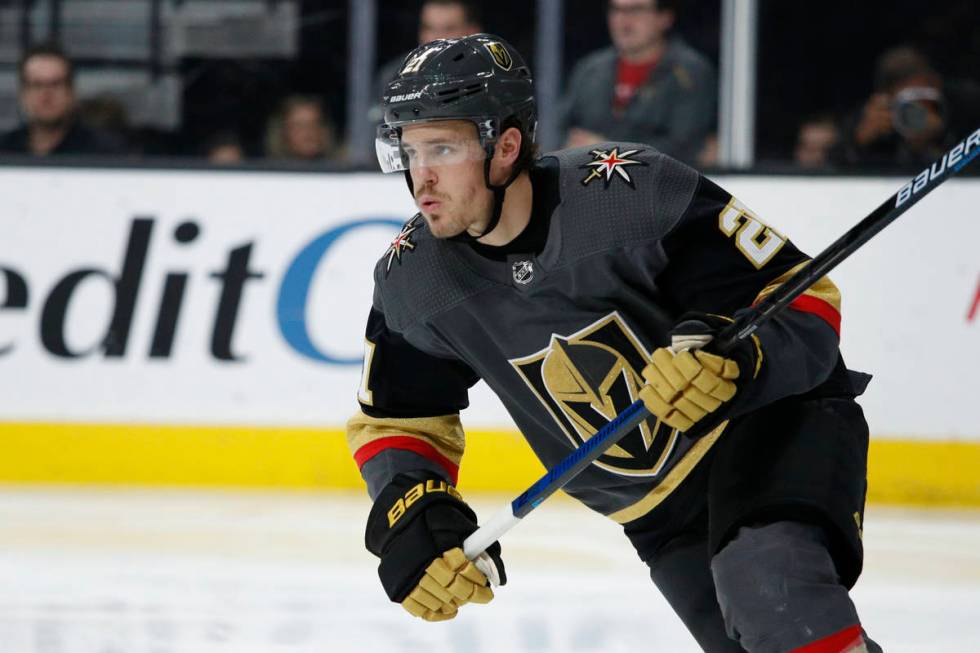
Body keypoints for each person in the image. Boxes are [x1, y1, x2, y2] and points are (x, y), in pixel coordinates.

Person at [349, 34, 880, 653]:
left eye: (442, 147)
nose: (422, 177)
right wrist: (418, 514)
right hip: (658, 514)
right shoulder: (415, 281)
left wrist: (736, 358)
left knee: (775, 593)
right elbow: (398, 423)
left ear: (506, 147)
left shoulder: (627, 192)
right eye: (409, 151)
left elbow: (798, 296)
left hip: (769, 426)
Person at [560, 0, 716, 165]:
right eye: (616, 10)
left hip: (658, 186)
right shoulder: (590, 69)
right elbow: (558, 128)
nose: (624, 21)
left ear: (664, 18)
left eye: (636, 10)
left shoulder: (690, 72)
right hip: (588, 181)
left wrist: (608, 151)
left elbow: (686, 147)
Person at [842, 46, 980, 169]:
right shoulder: (874, 119)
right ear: (888, 97)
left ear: (936, 85)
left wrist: (941, 137)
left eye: (924, 98)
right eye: (907, 102)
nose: (917, 112)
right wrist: (858, 143)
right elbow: (835, 167)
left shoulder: (966, 110)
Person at [368, 0, 483, 128]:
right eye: (429, 28)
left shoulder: (490, 75)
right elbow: (374, 139)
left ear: (473, 31)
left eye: (449, 29)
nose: (437, 39)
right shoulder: (393, 77)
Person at [0, 42, 125, 157]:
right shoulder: (5, 150)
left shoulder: (106, 152)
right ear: (22, 93)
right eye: (37, 85)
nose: (46, 94)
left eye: (55, 84)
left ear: (71, 91)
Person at [264, 95, 339, 162]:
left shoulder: (341, 171)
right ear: (283, 132)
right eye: (299, 125)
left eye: (315, 124)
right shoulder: (267, 174)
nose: (309, 132)